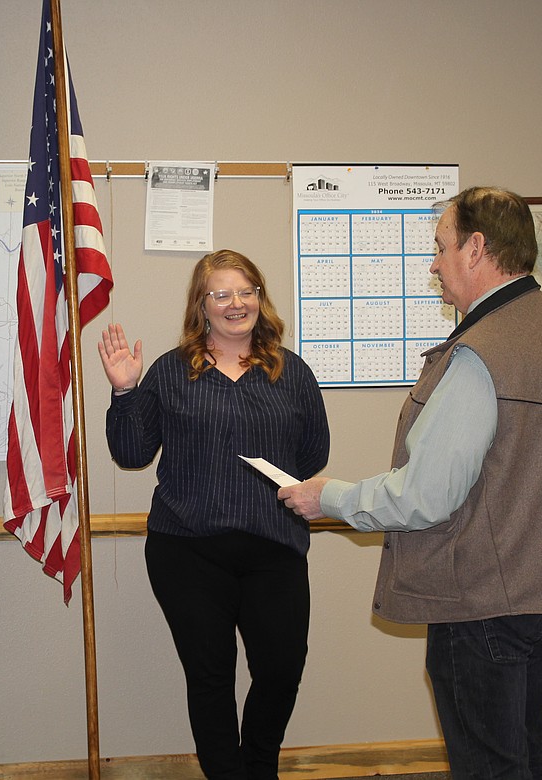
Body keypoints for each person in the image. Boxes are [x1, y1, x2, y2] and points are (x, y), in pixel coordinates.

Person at [279, 186, 542, 779]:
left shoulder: (480, 353)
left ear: (476, 249)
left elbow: (426, 495)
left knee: (488, 763)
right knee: (527, 747)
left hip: (483, 603)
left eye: (440, 246)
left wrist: (331, 498)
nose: (433, 262)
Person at [99, 249, 330, 779]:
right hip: (187, 550)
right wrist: (124, 390)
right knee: (210, 677)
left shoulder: (291, 372)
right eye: (221, 294)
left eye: (246, 291)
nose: (236, 303)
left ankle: (258, 768)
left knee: (280, 670)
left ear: (260, 298)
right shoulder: (169, 370)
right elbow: (132, 454)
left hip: (274, 548)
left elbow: (313, 453)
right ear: (201, 305)